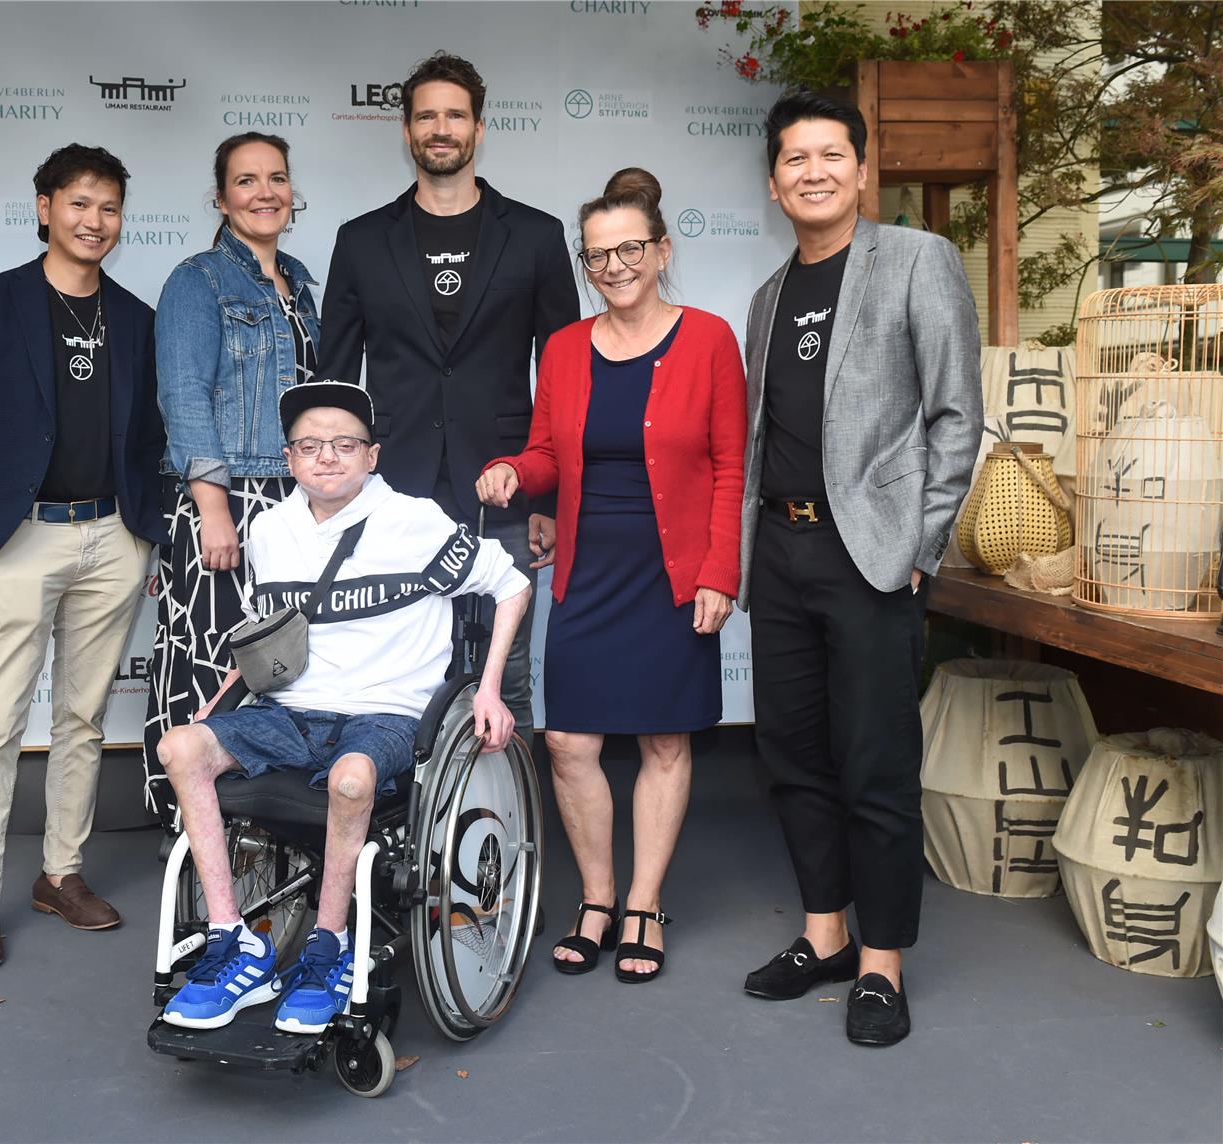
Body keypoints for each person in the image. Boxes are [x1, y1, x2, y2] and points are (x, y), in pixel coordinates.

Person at [156, 380, 530, 1032]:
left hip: (386, 714)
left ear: (371, 455)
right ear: (290, 459)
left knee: (351, 778)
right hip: (293, 712)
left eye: (344, 444)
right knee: (179, 746)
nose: (327, 457)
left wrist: (491, 688)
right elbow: (274, 638)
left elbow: (512, 584)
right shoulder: (269, 530)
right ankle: (231, 937)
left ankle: (326, 951)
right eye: (310, 446)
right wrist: (219, 701)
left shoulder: (414, 521)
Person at [737, 91, 982, 1045]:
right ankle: (824, 935)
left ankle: (882, 966)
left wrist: (921, 548)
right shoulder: (766, 298)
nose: (813, 171)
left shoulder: (918, 261)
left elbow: (957, 413)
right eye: (795, 159)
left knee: (877, 764)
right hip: (783, 551)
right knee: (792, 757)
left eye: (830, 155)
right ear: (773, 182)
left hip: (873, 555)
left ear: (861, 170)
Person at [478, 168, 746, 984]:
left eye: (631, 248)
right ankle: (595, 899)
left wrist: (719, 572)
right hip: (590, 570)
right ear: (586, 266)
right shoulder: (563, 349)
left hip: (673, 572)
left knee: (665, 741)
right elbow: (549, 452)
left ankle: (643, 905)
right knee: (569, 741)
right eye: (598, 256)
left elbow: (733, 466)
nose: (616, 266)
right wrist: (513, 473)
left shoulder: (708, 339)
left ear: (662, 250)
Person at [0, 143, 169, 969]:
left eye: (108, 208)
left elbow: (152, 439)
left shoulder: (136, 319)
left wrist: (147, 531)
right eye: (79, 204)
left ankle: (61, 874)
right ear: (43, 207)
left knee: (83, 720)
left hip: (112, 539)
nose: (94, 221)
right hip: (19, 537)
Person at [320, 50, 579, 734]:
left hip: (505, 489)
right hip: (393, 491)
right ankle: (408, 832)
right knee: (399, 672)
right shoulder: (361, 241)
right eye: (427, 116)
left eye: (455, 115)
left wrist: (546, 497)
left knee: (509, 676)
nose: (442, 128)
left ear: (479, 129)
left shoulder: (536, 236)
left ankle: (505, 834)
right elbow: (334, 381)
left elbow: (563, 379)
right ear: (406, 131)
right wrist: (337, 494)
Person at [144, 132, 321, 827]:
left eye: (276, 178)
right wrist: (212, 507)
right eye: (246, 181)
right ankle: (185, 824)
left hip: (291, 500)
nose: (265, 192)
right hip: (226, 498)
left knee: (276, 661)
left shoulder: (302, 284)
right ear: (221, 198)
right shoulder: (198, 280)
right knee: (208, 662)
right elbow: (184, 397)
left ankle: (254, 818)